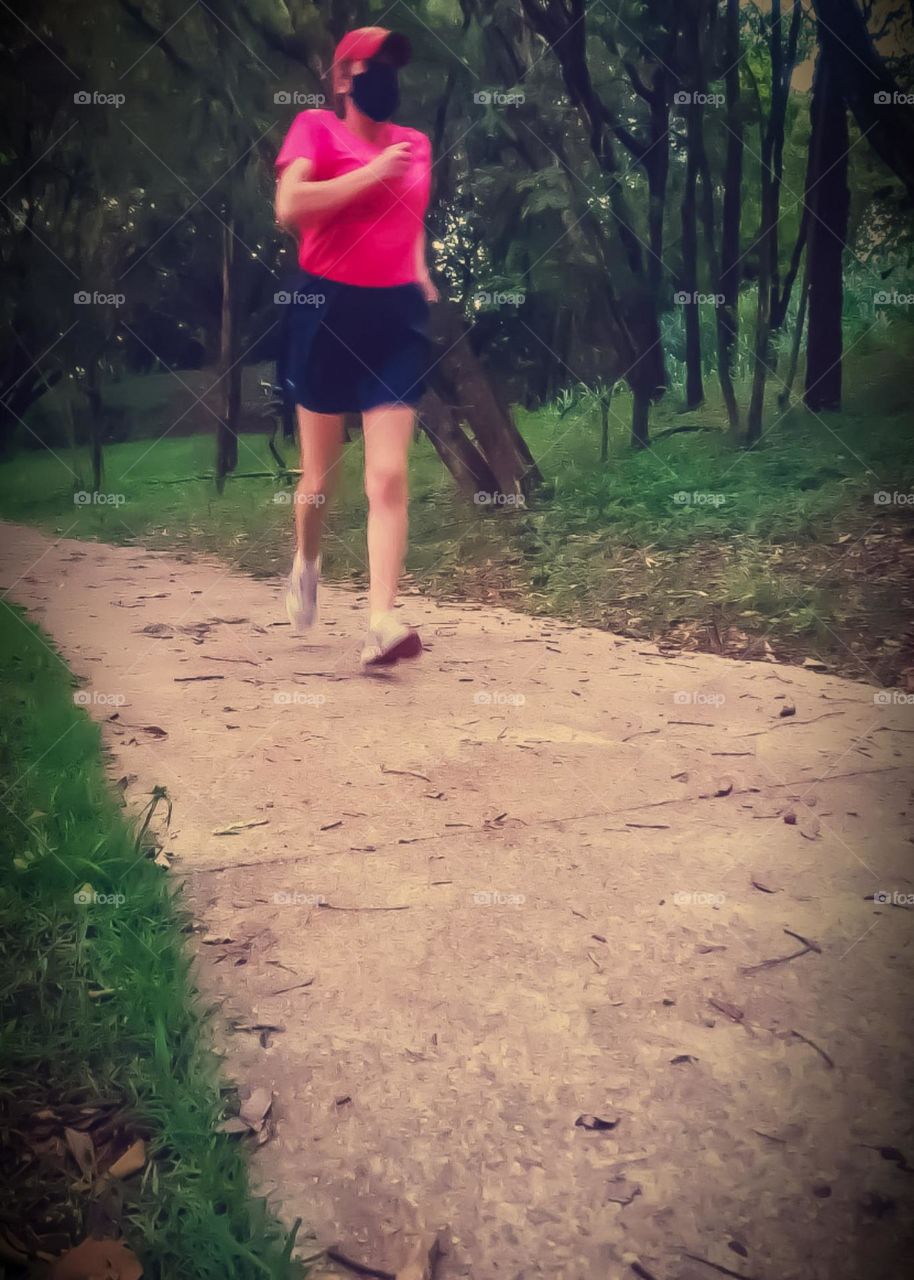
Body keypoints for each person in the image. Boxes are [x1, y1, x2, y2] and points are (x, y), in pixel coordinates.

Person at [273, 26, 437, 667]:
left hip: (394, 314)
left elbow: (411, 217)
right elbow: (290, 207)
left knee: (389, 473)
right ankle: (307, 563)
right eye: (374, 66)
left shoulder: (416, 144)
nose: (386, 77)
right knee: (320, 480)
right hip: (325, 307)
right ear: (344, 77)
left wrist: (419, 266)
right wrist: (371, 173)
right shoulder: (315, 128)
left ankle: (381, 622)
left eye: (395, 66)